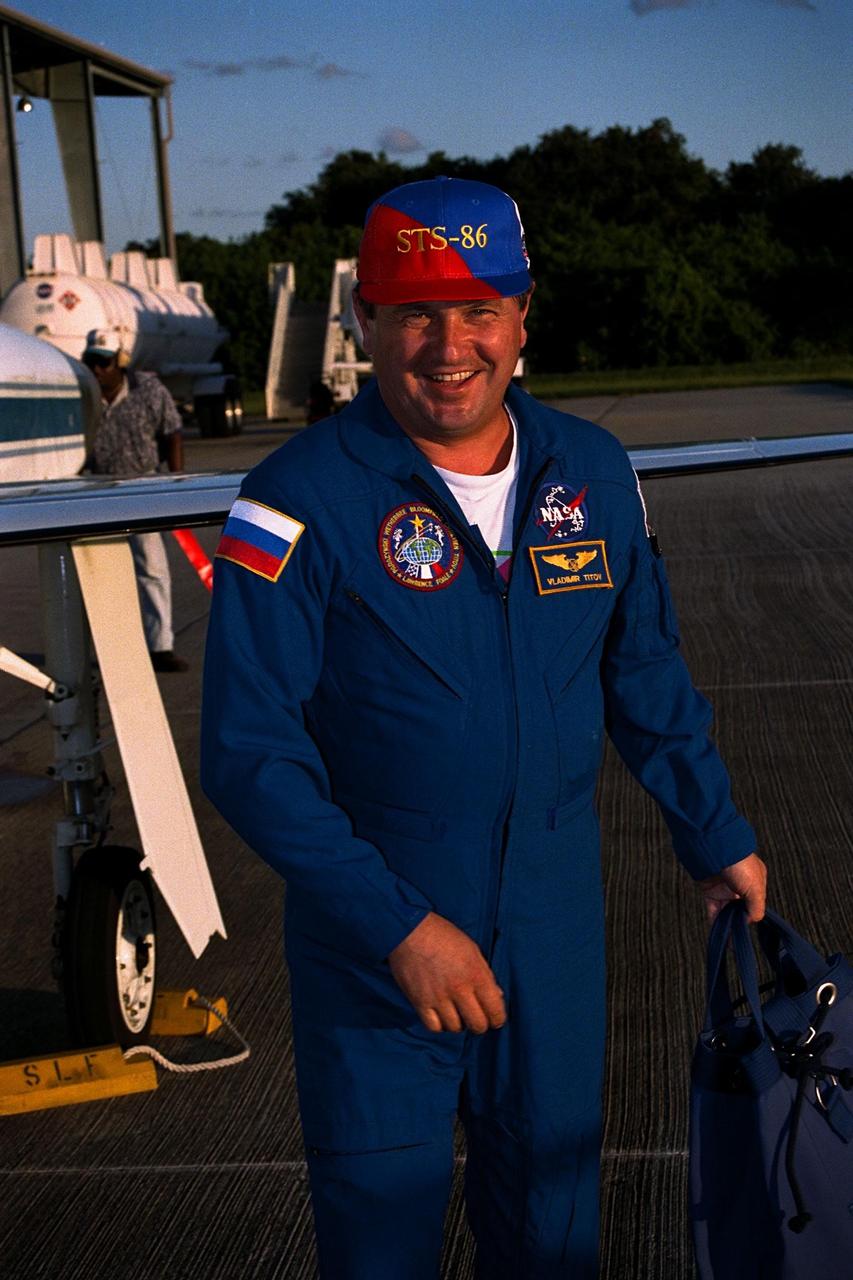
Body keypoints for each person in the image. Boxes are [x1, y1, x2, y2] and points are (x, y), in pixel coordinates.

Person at [200, 177, 767, 1278]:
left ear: (521, 314)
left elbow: (640, 666)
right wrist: (400, 924)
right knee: (379, 1239)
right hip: (380, 943)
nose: (448, 344)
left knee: (554, 1230)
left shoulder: (593, 475)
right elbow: (249, 751)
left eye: (477, 309)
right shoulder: (294, 497)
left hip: (551, 925)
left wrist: (714, 829)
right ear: (364, 320)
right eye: (415, 311)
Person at [83, 329, 188, 673]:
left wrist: (175, 483)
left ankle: (160, 647)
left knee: (152, 568)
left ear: (120, 361)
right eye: (91, 362)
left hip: (141, 488)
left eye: (103, 362)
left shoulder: (148, 390)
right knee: (100, 571)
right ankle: (113, 646)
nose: (97, 371)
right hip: (96, 489)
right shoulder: (83, 393)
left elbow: (172, 432)